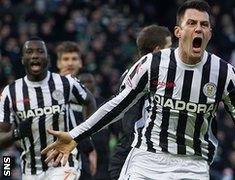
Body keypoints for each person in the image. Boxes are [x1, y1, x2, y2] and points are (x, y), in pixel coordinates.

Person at [41, 1, 235, 179]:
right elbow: (117, 105)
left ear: (210, 33)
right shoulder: (153, 63)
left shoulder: (223, 72)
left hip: (191, 165)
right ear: (179, 32)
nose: (198, 29)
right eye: (192, 23)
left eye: (204, 25)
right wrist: (75, 135)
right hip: (146, 158)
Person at [0, 37, 96, 179]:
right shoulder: (10, 92)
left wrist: (87, 137)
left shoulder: (66, 84)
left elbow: (90, 101)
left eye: (40, 51)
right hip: (26, 165)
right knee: (6, 173)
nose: (34, 55)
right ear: (22, 59)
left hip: (65, 163)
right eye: (29, 52)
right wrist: (16, 133)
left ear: (48, 58)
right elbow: (3, 138)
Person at [108, 24, 172, 180]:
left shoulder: (129, 73)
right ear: (158, 50)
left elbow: (116, 119)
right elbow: (129, 122)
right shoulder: (157, 79)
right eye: (170, 47)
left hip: (126, 151)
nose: (173, 51)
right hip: (138, 154)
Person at [55, 41, 98, 180]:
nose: (70, 63)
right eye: (66, 59)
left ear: (80, 63)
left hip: (79, 155)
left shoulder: (83, 92)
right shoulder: (49, 87)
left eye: (74, 59)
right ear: (58, 63)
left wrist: (90, 148)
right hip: (52, 155)